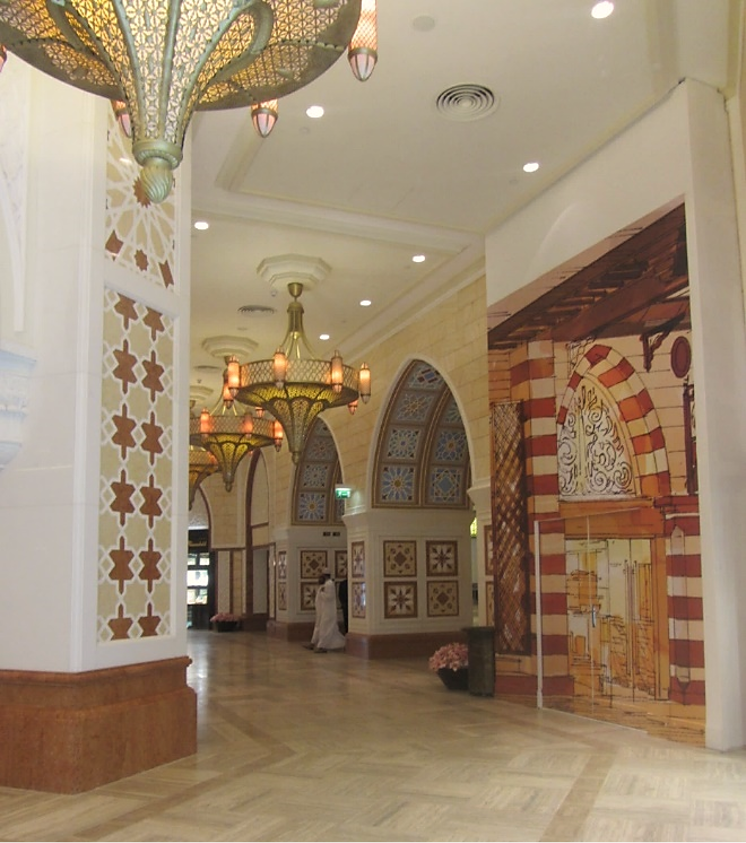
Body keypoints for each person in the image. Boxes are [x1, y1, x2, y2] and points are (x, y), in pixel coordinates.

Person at [305, 573, 346, 652]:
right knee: (320, 627)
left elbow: (329, 597)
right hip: (322, 611)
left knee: (326, 629)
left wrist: (321, 593)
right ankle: (314, 643)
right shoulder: (324, 585)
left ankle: (321, 646)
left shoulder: (329, 584)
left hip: (328, 612)